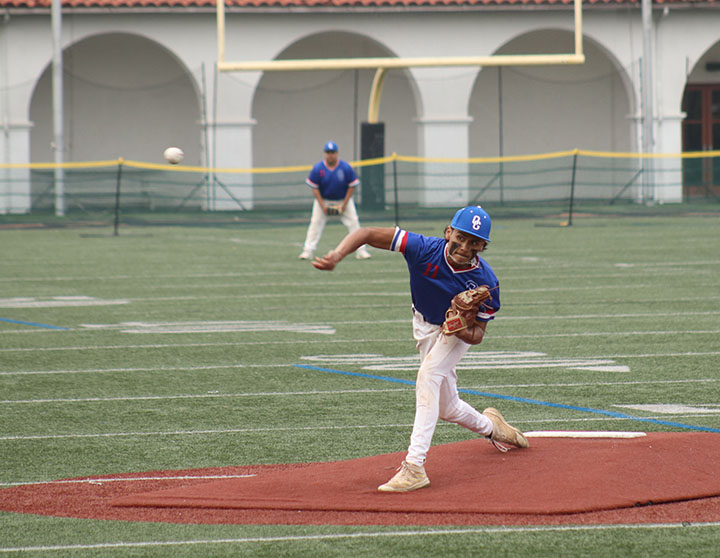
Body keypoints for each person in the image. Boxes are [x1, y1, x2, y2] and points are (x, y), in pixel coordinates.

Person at [312, 205, 529, 492]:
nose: (465, 246)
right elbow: (364, 233)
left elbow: (477, 335)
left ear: (483, 246)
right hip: (423, 324)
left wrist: (460, 327)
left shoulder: (486, 282)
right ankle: (492, 427)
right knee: (446, 407)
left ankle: (414, 466)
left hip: (452, 334)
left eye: (474, 241)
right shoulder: (423, 248)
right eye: (461, 237)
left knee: (427, 376)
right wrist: (337, 256)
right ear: (448, 232)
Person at [298, 141, 371, 260]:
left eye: (332, 152)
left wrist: (344, 204)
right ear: (324, 153)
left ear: (337, 153)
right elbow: (314, 188)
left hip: (343, 200)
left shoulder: (345, 167)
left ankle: (361, 251)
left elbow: (352, 186)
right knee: (315, 224)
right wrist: (322, 206)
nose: (330, 155)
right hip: (324, 200)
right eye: (328, 152)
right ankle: (308, 251)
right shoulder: (318, 168)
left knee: (354, 222)